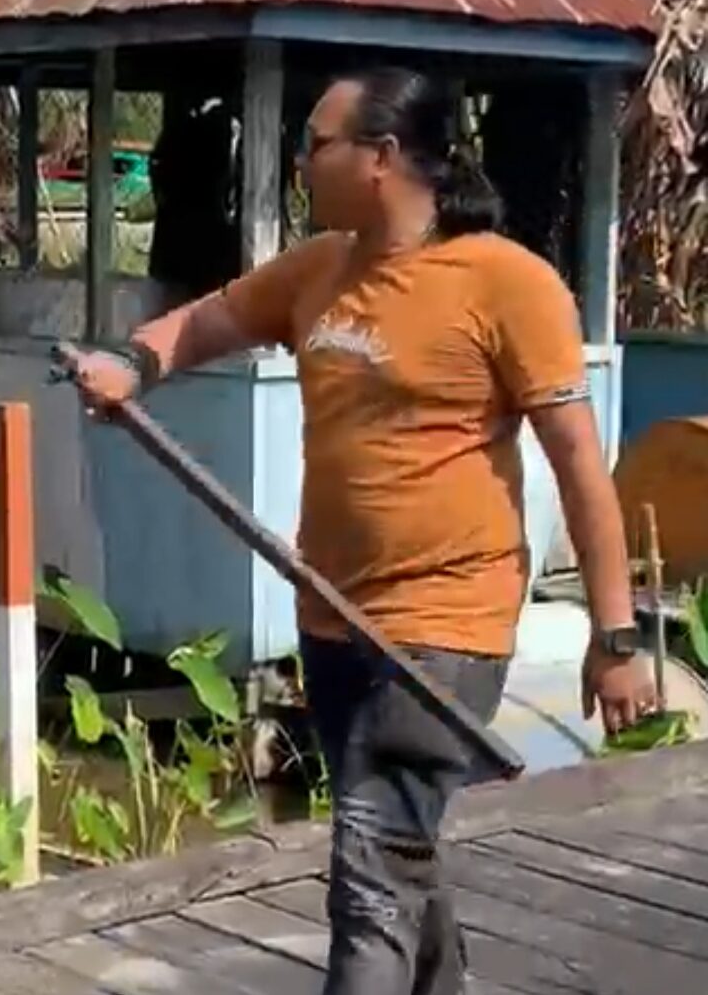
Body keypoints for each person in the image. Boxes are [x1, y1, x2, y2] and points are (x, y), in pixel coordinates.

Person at [71, 67, 656, 995]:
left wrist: (614, 637)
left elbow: (584, 470)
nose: (301, 163)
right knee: (397, 848)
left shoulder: (508, 283)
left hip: (445, 628)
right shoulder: (319, 270)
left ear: (382, 156)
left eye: (317, 144)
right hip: (333, 618)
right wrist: (133, 365)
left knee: (372, 873)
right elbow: (211, 319)